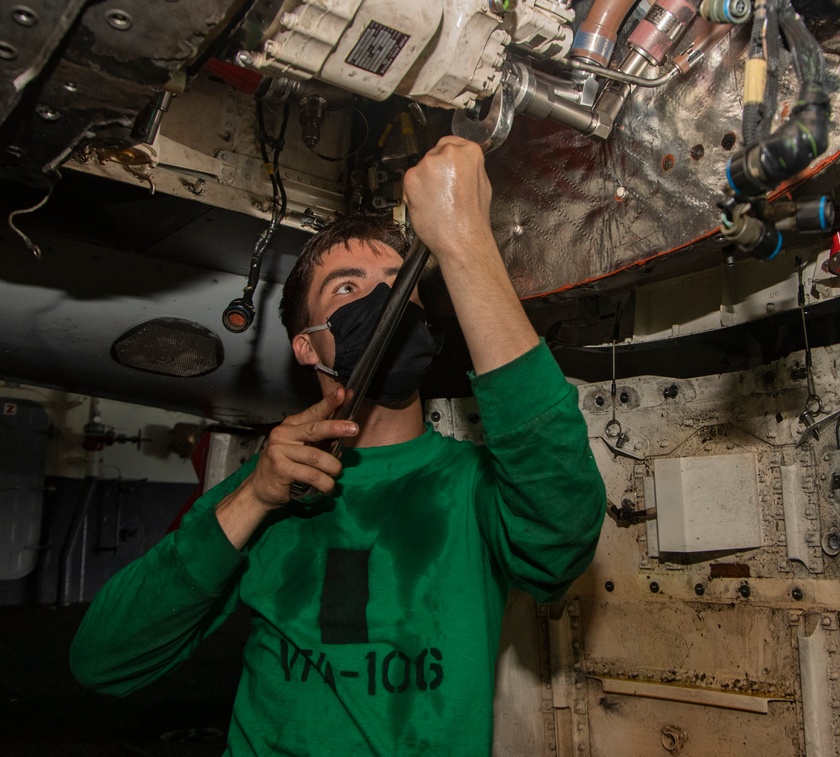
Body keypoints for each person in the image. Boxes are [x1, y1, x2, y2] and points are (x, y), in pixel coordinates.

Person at [70, 136, 606, 755]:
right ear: (307, 343)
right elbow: (104, 661)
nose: (381, 301)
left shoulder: (471, 486)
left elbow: (562, 538)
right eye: (347, 288)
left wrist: (465, 244)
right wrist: (253, 498)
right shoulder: (266, 495)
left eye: (395, 284)